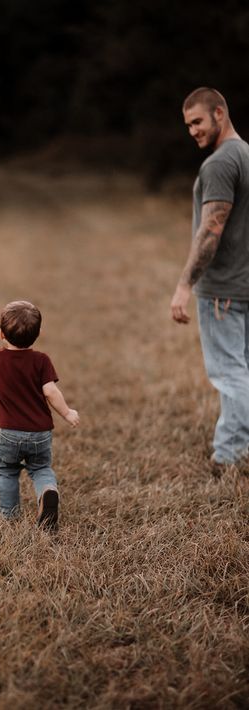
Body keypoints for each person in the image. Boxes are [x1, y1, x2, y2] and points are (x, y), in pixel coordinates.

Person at [171, 87, 249, 467]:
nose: (193, 131)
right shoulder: (247, 155)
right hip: (245, 285)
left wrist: (185, 285)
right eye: (188, 125)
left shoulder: (219, 164)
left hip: (224, 290)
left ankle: (231, 454)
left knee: (230, 373)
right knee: (243, 368)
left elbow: (210, 231)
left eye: (197, 121)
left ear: (220, 113)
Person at [0, 300, 79, 529]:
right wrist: (67, 413)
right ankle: (47, 492)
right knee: (40, 469)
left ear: (1, 334)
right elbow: (50, 391)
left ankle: (9, 515)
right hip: (40, 433)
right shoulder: (41, 361)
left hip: (9, 433)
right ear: (38, 334)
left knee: (7, 471)